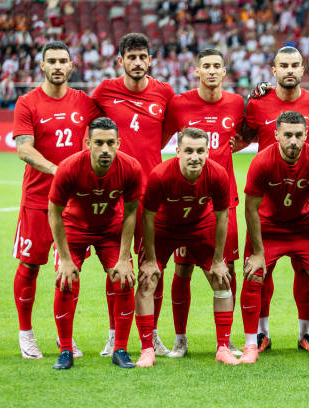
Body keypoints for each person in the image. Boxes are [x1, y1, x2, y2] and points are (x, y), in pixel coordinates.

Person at [243, 46, 309, 354]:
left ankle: (307, 335)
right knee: (258, 274)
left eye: (294, 65)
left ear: (302, 69)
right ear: (273, 70)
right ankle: (260, 335)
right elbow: (240, 136)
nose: (289, 69)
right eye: (283, 65)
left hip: (303, 206)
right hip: (267, 206)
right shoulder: (257, 103)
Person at [12, 41, 100, 359]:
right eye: (52, 61)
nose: (58, 66)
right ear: (42, 66)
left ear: (71, 66)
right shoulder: (27, 102)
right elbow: (24, 147)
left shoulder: (84, 102)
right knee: (30, 265)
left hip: (74, 202)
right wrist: (56, 169)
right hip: (38, 198)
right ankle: (26, 335)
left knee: (71, 268)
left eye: (63, 61)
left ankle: (66, 339)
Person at [92, 33, 175, 357]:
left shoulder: (164, 93)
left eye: (143, 57)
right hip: (116, 195)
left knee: (153, 265)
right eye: (132, 57)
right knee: (117, 265)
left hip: (153, 195)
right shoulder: (105, 91)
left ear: (150, 60)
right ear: (121, 61)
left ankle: (151, 334)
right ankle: (114, 334)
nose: (138, 63)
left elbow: (166, 132)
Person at [162, 48, 244, 358]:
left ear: (224, 72)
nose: (211, 70)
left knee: (227, 269)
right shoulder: (179, 103)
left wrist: (233, 146)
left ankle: (226, 339)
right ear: (196, 71)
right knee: (182, 269)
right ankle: (180, 339)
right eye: (205, 66)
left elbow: (246, 134)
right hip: (188, 201)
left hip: (224, 199)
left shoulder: (236, 103)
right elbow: (161, 138)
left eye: (216, 66)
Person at [136, 127, 239, 366]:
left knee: (221, 279)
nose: (195, 157)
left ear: (207, 152)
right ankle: (147, 349)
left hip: (200, 226)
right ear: (178, 151)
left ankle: (223, 347)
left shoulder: (218, 174)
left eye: (200, 151)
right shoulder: (161, 174)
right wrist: (149, 259)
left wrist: (218, 260)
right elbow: (147, 217)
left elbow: (222, 217)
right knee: (147, 279)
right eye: (189, 151)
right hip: (164, 227)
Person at [48, 117, 142, 370]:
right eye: (99, 143)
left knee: (124, 280)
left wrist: (124, 258)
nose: (105, 149)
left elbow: (131, 213)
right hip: (74, 228)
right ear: (88, 143)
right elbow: (54, 213)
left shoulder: (131, 167)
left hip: (110, 230)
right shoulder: (69, 168)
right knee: (66, 280)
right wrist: (65, 259)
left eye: (111, 143)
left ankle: (119, 349)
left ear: (119, 143)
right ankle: (65, 350)